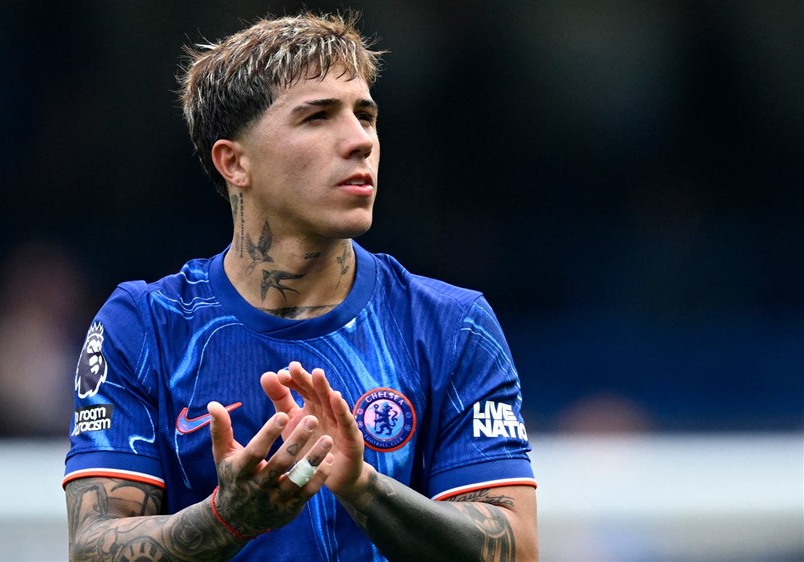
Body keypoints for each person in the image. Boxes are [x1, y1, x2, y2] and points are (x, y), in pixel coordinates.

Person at [63, 11, 537, 562]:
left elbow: (515, 547)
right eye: (317, 117)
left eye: (366, 115)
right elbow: (93, 546)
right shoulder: (142, 326)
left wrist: (363, 488)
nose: (360, 141)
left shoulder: (453, 324)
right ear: (234, 163)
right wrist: (227, 519)